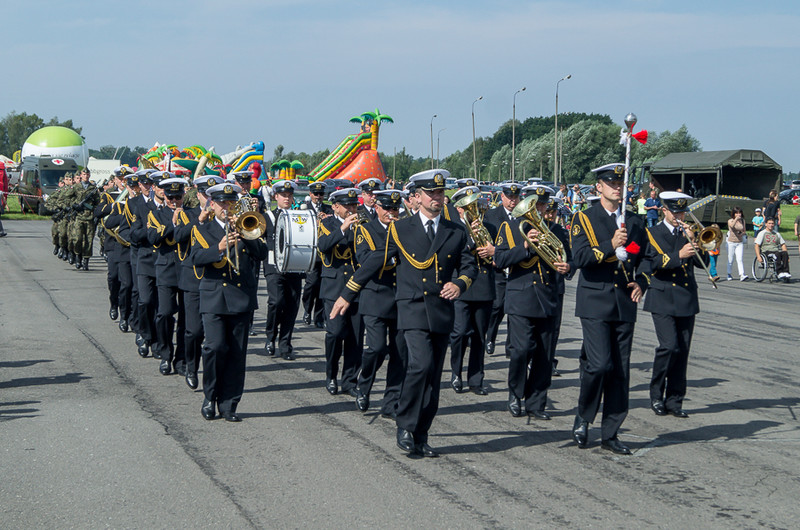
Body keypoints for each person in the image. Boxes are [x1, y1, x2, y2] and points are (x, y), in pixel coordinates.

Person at [330, 169, 476, 458]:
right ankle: (405, 425)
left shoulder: (456, 230)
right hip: (411, 308)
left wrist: (460, 283)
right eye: (431, 193)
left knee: (433, 378)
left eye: (440, 193)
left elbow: (470, 266)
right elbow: (375, 262)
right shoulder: (401, 228)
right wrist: (348, 293)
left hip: (441, 311)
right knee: (419, 366)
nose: (437, 198)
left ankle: (421, 434)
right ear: (417, 198)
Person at [570, 163, 649, 455]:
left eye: (620, 182)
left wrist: (642, 281)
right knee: (599, 364)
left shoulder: (636, 223)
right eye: (610, 182)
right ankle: (584, 414)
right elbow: (579, 256)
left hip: (624, 303)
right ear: (599, 187)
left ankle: (611, 431)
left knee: (619, 370)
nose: (617, 187)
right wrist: (609, 245)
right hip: (595, 301)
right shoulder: (584, 219)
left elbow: (645, 258)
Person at [190, 182, 267, 422]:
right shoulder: (203, 228)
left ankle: (229, 404)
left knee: (236, 352)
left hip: (241, 298)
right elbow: (196, 257)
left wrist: (245, 232)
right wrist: (219, 248)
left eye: (231, 202)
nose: (227, 207)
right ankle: (209, 396)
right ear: (212, 205)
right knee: (214, 347)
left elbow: (262, 254)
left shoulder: (245, 225)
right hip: (214, 297)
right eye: (222, 203)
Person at [495, 184, 571, 419]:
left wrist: (568, 267)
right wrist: (526, 246)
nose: (539, 210)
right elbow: (500, 259)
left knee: (544, 355)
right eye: (535, 205)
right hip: (521, 297)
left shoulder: (557, 231)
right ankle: (515, 393)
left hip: (548, 297)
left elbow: (570, 259)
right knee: (521, 350)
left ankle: (536, 403)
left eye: (543, 205)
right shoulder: (510, 228)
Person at [643, 192, 708, 419]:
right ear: (664, 210)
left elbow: (703, 264)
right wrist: (678, 255)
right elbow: (650, 263)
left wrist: (698, 243)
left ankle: (675, 400)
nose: (679, 216)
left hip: (686, 297)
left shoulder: (688, 233)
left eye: (682, 211)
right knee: (668, 347)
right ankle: (655, 394)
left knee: (682, 351)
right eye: (675, 211)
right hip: (662, 297)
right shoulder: (651, 233)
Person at [344, 190, 407, 416]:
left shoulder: (404, 229)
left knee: (400, 353)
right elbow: (365, 260)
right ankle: (364, 385)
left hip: (400, 296)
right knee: (377, 347)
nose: (392, 213)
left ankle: (392, 401)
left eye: (395, 209)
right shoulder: (365, 230)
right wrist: (392, 252)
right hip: (375, 295)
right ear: (377, 208)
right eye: (387, 209)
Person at [448, 185, 495, 395]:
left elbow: (498, 259)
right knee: (458, 333)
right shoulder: (453, 229)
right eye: (468, 207)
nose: (472, 210)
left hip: (484, 286)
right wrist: (473, 242)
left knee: (479, 336)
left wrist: (492, 250)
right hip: (461, 286)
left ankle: (476, 380)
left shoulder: (490, 228)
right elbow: (452, 255)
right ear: (459, 209)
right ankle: (456, 373)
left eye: (475, 205)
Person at [318, 188, 364, 396]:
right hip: (334, 287)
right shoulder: (327, 224)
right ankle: (331, 375)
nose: (352, 209)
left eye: (354, 205)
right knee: (335, 333)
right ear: (335, 206)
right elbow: (323, 246)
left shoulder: (363, 224)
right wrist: (343, 229)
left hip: (356, 286)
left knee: (355, 337)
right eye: (347, 206)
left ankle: (350, 381)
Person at [147, 175, 188, 376]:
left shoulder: (190, 213)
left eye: (178, 197)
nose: (174, 201)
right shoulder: (156, 214)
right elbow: (153, 238)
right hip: (166, 270)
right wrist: (172, 224)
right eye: (170, 198)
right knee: (164, 313)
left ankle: (181, 359)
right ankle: (165, 354)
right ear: (164, 196)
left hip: (187, 271)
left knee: (186, 319)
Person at [263, 180, 304, 359]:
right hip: (273, 266)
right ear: (276, 197)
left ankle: (285, 345)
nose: (287, 198)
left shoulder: (299, 217)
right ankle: (270, 336)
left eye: (289, 195)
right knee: (277, 301)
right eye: (283, 195)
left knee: (292, 307)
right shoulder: (267, 217)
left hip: (294, 266)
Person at [484, 182, 522, 357]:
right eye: (510, 197)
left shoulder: (523, 216)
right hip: (497, 268)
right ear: (502, 197)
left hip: (517, 268)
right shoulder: (491, 215)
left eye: (516, 197)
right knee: (497, 306)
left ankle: (511, 346)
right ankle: (490, 337)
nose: (513, 201)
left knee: (515, 310)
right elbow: (486, 240)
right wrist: (493, 256)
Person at [301, 181, 333, 328]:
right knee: (311, 284)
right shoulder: (304, 208)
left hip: (325, 253)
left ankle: (319, 317)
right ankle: (307, 309)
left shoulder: (328, 209)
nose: (318, 197)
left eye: (321, 194)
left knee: (323, 286)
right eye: (316, 194)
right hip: (311, 251)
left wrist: (327, 220)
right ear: (310, 194)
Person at [754, 218, 791, 282]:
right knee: (777, 254)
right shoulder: (762, 233)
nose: (771, 225)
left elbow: (783, 244)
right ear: (766, 224)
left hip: (775, 250)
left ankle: (786, 272)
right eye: (769, 223)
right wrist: (758, 256)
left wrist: (787, 256)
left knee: (784, 253)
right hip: (766, 251)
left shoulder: (777, 234)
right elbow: (757, 245)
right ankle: (779, 272)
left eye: (772, 223)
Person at [726, 206, 747, 281]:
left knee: (740, 259)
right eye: (737, 213)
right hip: (731, 242)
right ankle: (729, 274)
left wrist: (742, 233)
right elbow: (731, 226)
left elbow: (744, 230)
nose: (739, 215)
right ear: (734, 214)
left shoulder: (743, 221)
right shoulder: (730, 220)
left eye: (740, 213)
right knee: (730, 259)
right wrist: (736, 219)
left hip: (739, 242)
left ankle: (742, 274)